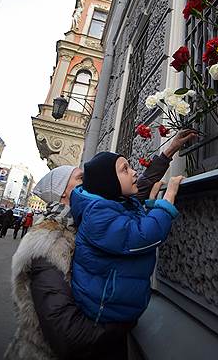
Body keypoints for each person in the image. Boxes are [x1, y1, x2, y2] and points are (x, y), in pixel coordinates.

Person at [4, 130, 195, 360]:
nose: (91, 182)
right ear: (65, 193)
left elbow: (136, 188)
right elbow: (68, 333)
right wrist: (121, 324)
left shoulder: (92, 215)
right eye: (82, 179)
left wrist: (169, 150)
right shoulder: (47, 242)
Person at [70, 153, 183, 359]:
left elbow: (131, 226)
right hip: (103, 319)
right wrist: (167, 201)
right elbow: (140, 236)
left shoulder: (117, 204)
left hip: (116, 312)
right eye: (125, 169)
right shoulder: (97, 214)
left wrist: (150, 205)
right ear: (108, 180)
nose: (133, 172)